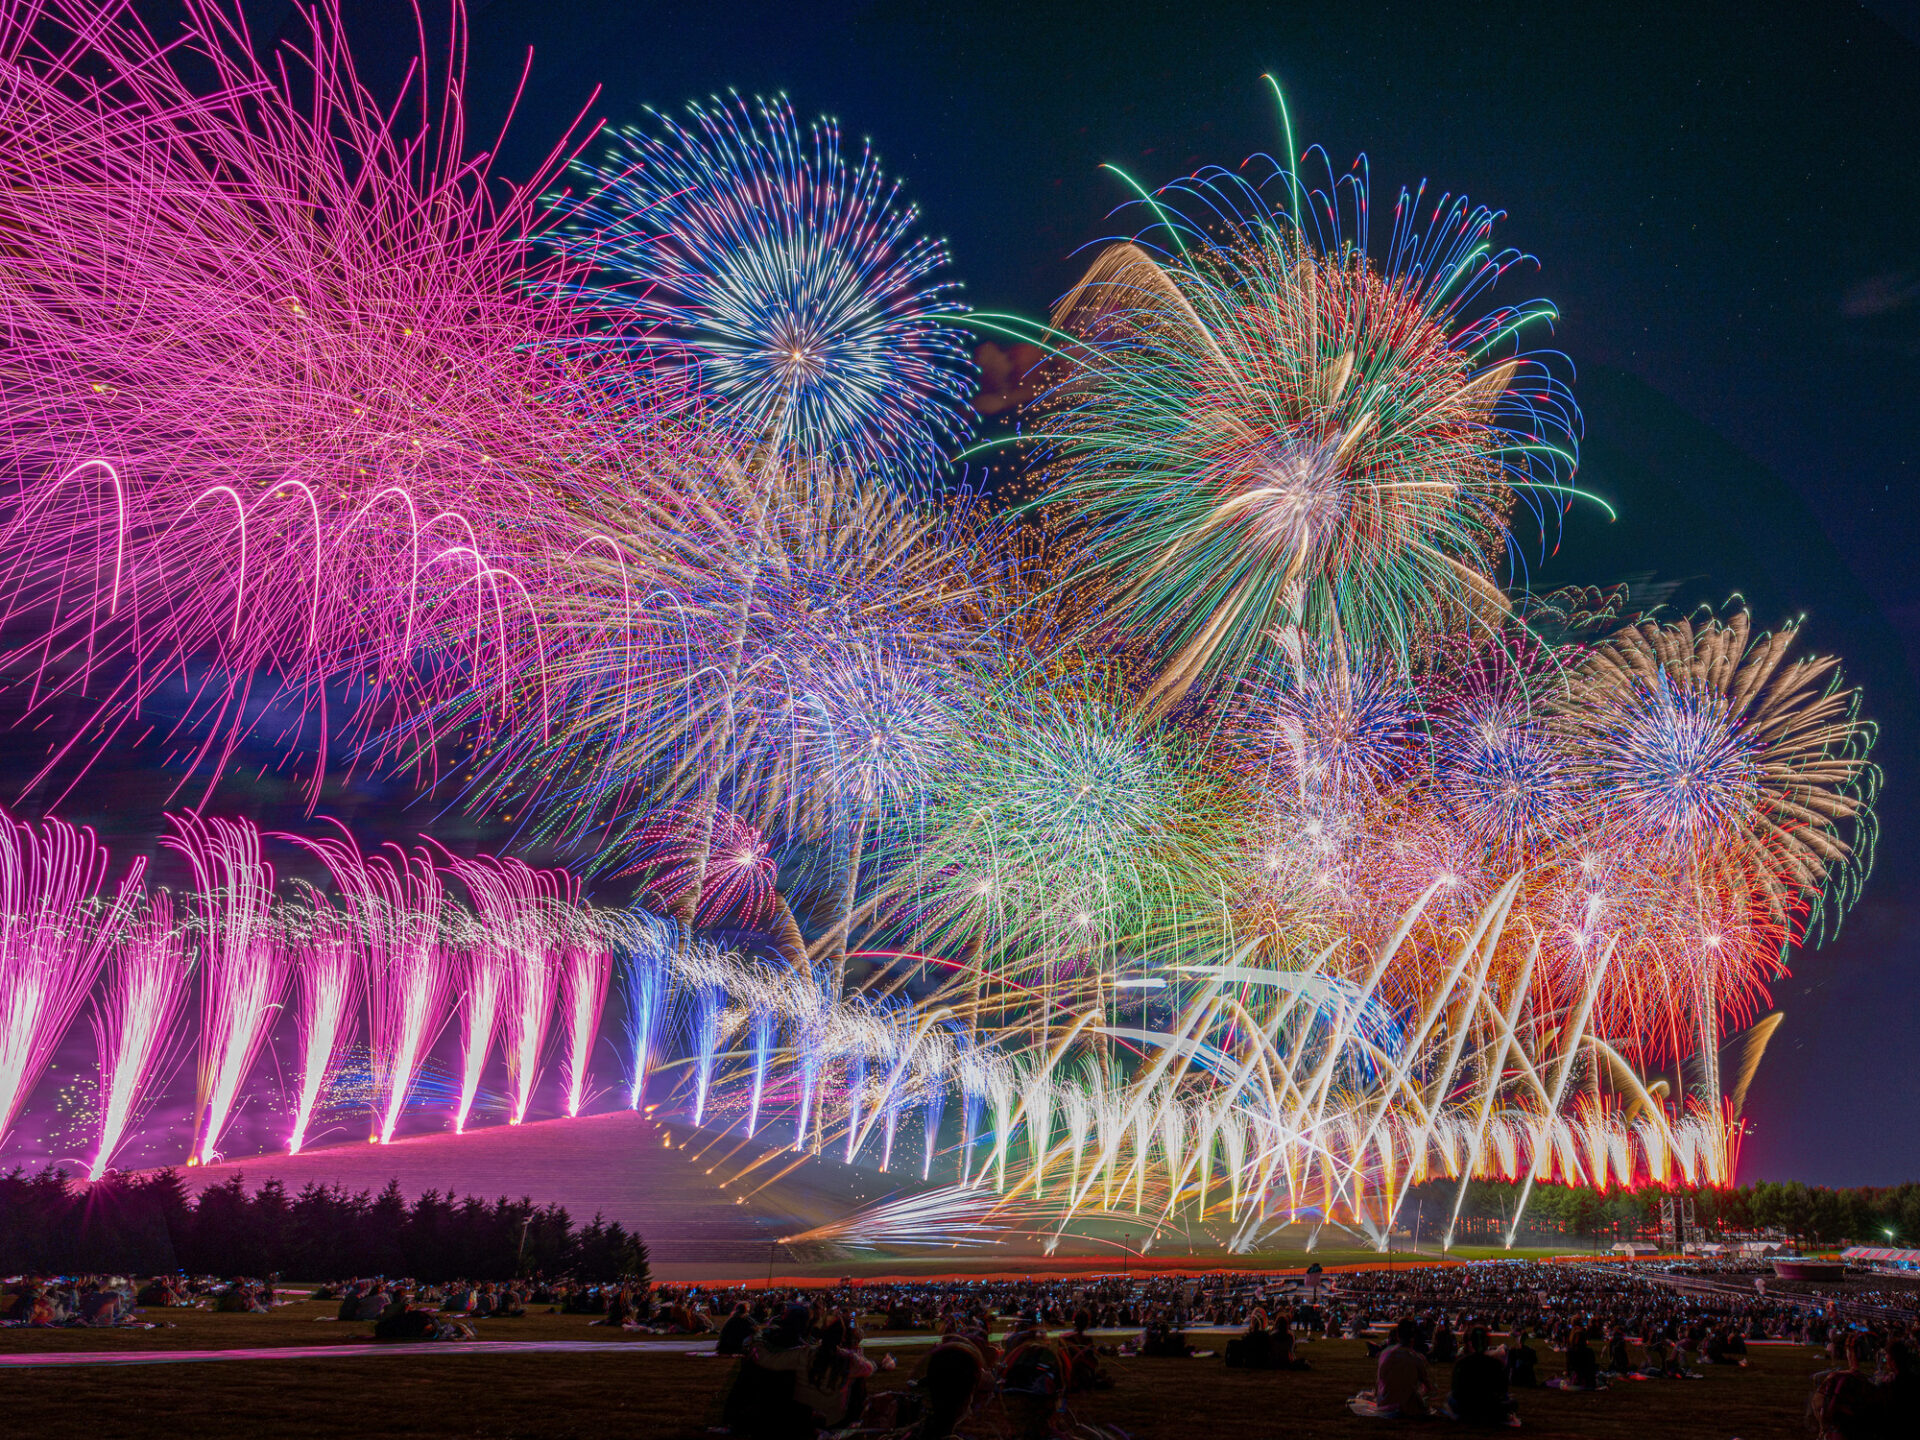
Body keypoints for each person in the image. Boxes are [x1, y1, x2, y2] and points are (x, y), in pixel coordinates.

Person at [1445, 1326, 1517, 1427]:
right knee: (1512, 1401)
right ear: (1487, 1342)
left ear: (1471, 1343)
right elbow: (1503, 1391)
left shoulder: (1462, 1363)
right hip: (1490, 1408)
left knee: (1449, 1397)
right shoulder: (1496, 1364)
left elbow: (1456, 1391)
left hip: (1466, 1408)